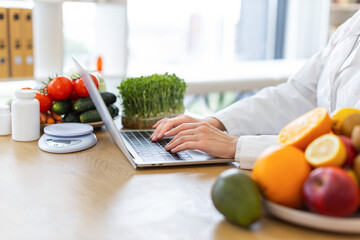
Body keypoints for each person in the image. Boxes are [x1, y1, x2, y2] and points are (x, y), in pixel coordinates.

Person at [151, 10, 360, 169]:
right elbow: (299, 94)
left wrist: (238, 145)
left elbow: (351, 146)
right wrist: (216, 123)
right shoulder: (352, 25)